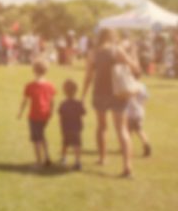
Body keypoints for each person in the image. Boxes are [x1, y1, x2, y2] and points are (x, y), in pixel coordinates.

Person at [81, 28, 140, 178]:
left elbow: (88, 76)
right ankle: (127, 166)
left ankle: (102, 158)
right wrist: (133, 54)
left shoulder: (93, 53)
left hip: (99, 92)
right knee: (122, 130)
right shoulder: (117, 50)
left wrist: (83, 95)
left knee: (101, 126)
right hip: (118, 92)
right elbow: (135, 68)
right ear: (113, 37)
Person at [18, 59, 55, 167]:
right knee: (42, 135)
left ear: (34, 70)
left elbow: (25, 101)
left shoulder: (30, 86)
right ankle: (47, 157)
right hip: (45, 114)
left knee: (36, 139)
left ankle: (39, 161)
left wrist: (20, 112)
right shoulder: (49, 85)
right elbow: (52, 101)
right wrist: (51, 112)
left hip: (34, 115)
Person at [58, 79, 85, 170]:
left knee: (65, 143)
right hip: (77, 127)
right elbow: (83, 113)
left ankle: (63, 158)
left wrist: (61, 127)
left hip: (66, 127)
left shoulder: (63, 104)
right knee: (77, 144)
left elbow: (60, 116)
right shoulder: (79, 103)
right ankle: (78, 162)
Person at [127, 82, 151, 157]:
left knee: (132, 130)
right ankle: (145, 143)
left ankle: (145, 144)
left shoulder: (129, 85)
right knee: (134, 129)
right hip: (140, 111)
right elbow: (146, 97)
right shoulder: (142, 86)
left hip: (131, 112)